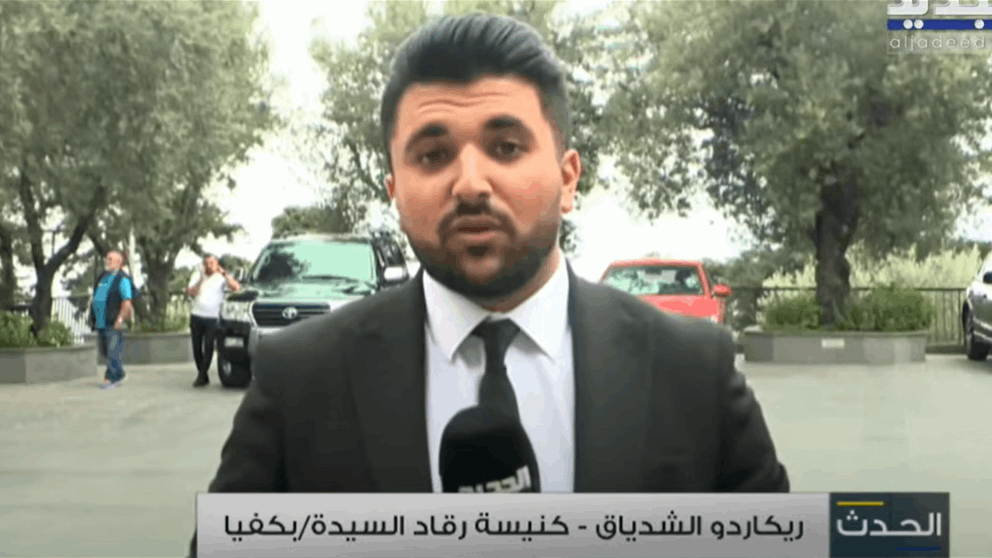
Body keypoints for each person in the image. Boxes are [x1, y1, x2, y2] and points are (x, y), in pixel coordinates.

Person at [189, 12, 788, 554]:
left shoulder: (692, 370)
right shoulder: (300, 377)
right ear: (395, 192)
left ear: (568, 178)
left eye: (506, 147)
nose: (471, 184)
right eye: (432, 155)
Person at [186, 254, 241, 387]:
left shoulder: (221, 278)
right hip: (196, 315)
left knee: (209, 346)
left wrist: (225, 274)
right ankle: (203, 375)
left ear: (217, 265)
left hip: (212, 317)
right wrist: (201, 280)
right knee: (196, 348)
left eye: (212, 263)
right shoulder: (197, 275)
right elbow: (191, 292)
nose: (209, 266)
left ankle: (202, 375)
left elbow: (236, 288)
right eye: (207, 263)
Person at [88, 249, 135, 390]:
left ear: (119, 262)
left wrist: (120, 319)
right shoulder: (103, 276)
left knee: (113, 350)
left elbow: (127, 302)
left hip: (113, 321)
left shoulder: (123, 279)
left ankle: (111, 378)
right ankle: (119, 373)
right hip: (100, 320)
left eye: (110, 259)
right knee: (104, 351)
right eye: (107, 258)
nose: (107, 261)